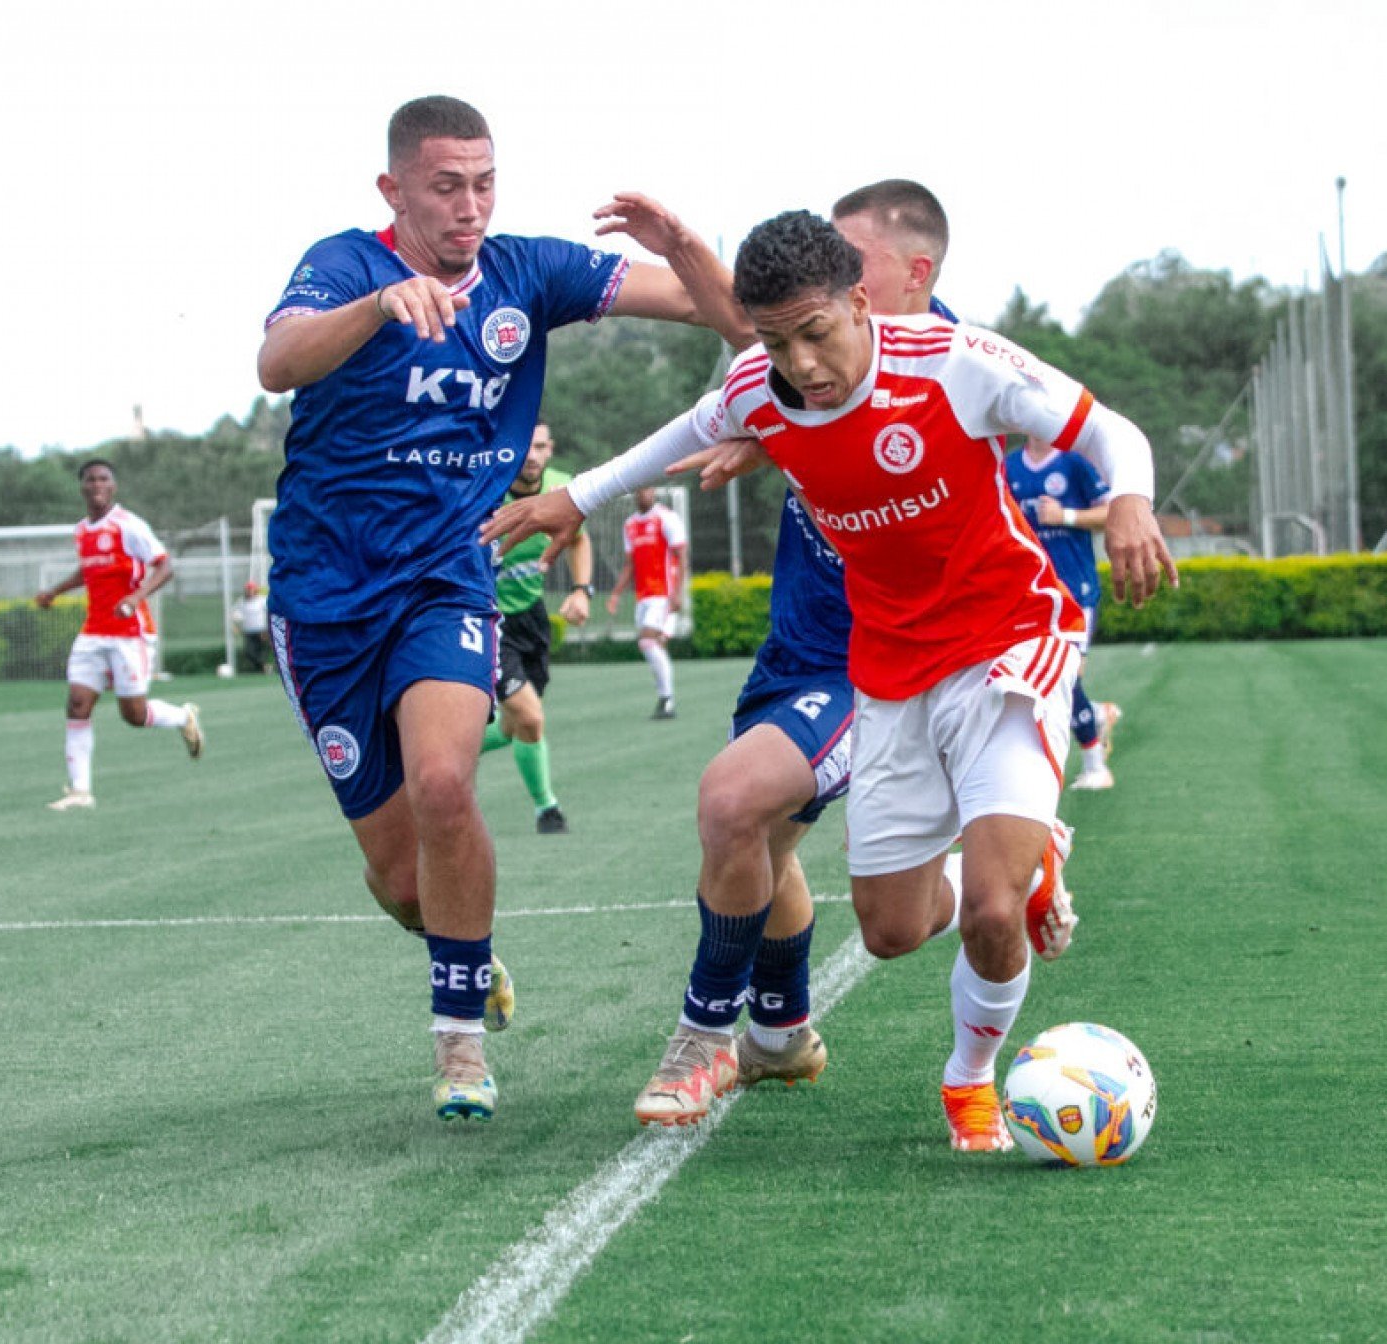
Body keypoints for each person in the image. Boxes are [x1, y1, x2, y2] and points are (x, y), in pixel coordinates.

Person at [488, 209, 1174, 1151]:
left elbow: (1112, 432)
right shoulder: (761, 390)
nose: (802, 362)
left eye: (817, 333)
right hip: (888, 674)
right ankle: (1023, 858)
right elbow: (671, 438)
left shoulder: (953, 360)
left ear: (861, 300)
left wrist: (1130, 502)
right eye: (778, 341)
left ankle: (970, 1081)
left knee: (988, 916)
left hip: (1007, 644)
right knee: (893, 930)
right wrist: (573, 497)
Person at [255, 94, 746, 1123]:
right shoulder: (345, 265)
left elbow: (729, 315)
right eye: (445, 185)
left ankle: (459, 1046)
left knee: (444, 781)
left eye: (484, 182)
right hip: (325, 594)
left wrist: (684, 245)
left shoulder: (531, 272)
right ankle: (469, 954)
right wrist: (378, 309)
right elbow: (277, 364)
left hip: (449, 573)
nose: (469, 205)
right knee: (400, 883)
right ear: (394, 189)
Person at [616, 180, 964, 1127]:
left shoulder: (954, 364)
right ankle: (781, 1036)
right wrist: (687, 246)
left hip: (881, 664)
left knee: (736, 803)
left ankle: (702, 1041)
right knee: (777, 851)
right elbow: (747, 333)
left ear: (905, 277)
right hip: (796, 649)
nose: (836, 279)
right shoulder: (804, 361)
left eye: (853, 264)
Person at [33, 458, 203, 811]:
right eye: (91, 479)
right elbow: (88, 570)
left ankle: (183, 717)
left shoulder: (129, 526)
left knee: (134, 715)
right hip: (93, 632)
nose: (97, 484)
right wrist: (54, 591)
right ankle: (81, 791)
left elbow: (165, 566)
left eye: (104, 479)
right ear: (82, 487)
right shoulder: (82, 531)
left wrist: (136, 596)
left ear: (113, 486)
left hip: (130, 633)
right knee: (78, 704)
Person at [481, 421, 592, 834]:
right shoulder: (487, 491)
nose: (531, 456)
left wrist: (582, 590)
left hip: (532, 617)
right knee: (530, 718)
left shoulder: (562, 489)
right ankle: (548, 809)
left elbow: (578, 539)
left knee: (515, 727)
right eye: (524, 446)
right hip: (490, 621)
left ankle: (437, 758)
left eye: (540, 447)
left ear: (550, 450)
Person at [1006, 434, 1125, 789]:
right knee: (1032, 682)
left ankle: (1095, 766)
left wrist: (1065, 515)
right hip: (1029, 594)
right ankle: (1096, 716)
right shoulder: (1009, 465)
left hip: (1075, 591)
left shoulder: (1075, 462)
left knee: (1067, 678)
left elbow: (1112, 513)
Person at [606, 485, 687, 718]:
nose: (645, 493)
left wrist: (678, 593)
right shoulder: (630, 525)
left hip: (663, 593)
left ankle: (667, 699)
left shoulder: (666, 518)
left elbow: (682, 556)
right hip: (643, 596)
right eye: (640, 489)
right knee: (655, 644)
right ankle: (665, 700)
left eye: (649, 489)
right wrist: (616, 593)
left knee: (647, 642)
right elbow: (629, 564)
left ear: (654, 491)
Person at [230, 581, 271, 674]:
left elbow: (269, 614)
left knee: (262, 650)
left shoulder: (262, 600)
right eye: (247, 590)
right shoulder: (241, 601)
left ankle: (263, 668)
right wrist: (235, 626)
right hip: (248, 631)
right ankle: (263, 667)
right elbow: (235, 614)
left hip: (261, 630)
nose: (249, 592)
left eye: (251, 589)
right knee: (249, 652)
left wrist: (267, 629)